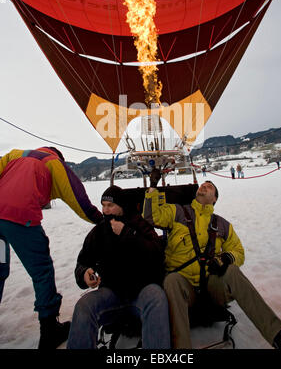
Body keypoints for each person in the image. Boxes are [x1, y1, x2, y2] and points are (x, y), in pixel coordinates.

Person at [143, 177, 281, 350]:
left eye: (209, 187)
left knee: (232, 271)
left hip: (212, 287)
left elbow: (239, 252)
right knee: (171, 280)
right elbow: (150, 218)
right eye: (203, 185)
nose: (204, 186)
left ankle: (279, 337)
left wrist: (226, 258)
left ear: (215, 199)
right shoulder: (177, 212)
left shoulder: (222, 225)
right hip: (184, 289)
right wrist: (152, 189)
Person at [0, 146, 103, 349]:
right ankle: (49, 330)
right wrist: (101, 221)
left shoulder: (15, 154)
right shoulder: (54, 163)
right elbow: (78, 198)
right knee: (42, 270)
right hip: (20, 216)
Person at [67, 185, 170, 349]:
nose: (105, 210)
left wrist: (128, 234)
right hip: (112, 293)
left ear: (122, 207)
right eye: (103, 205)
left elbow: (157, 254)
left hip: (141, 291)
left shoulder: (140, 225)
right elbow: (83, 261)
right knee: (84, 305)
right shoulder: (98, 232)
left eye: (110, 205)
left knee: (157, 298)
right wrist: (84, 273)